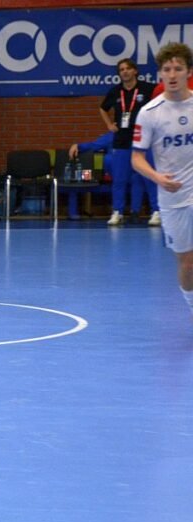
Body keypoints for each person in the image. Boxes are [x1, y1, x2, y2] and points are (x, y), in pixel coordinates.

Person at [132, 42, 193, 323]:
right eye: (167, 69)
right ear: (160, 74)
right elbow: (137, 158)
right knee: (188, 263)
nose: (172, 74)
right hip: (173, 199)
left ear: (188, 72)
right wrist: (157, 177)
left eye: (178, 68)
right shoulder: (149, 113)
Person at [100, 58, 158, 226]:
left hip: (144, 140)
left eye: (127, 68)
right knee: (119, 179)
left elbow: (162, 103)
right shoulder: (115, 91)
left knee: (149, 177)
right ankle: (117, 212)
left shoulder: (148, 88)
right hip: (122, 140)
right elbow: (103, 108)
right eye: (121, 69)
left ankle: (156, 211)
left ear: (135, 71)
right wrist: (109, 124)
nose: (124, 72)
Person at [68, 132, 159, 224]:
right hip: (122, 174)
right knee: (132, 177)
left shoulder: (140, 136)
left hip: (133, 175)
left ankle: (134, 212)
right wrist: (79, 146)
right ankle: (130, 212)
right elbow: (95, 145)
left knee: (137, 177)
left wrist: (79, 146)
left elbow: (95, 145)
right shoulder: (114, 136)